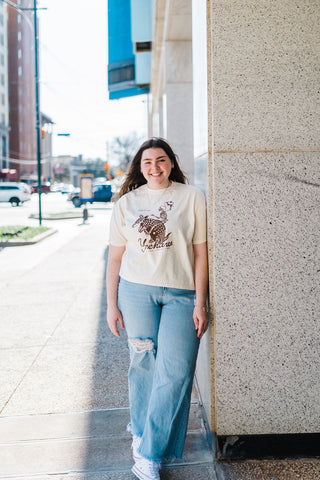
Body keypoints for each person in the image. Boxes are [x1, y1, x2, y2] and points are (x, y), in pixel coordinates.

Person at [106, 137, 209, 480]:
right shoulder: (126, 203)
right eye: (147, 162)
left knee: (177, 370)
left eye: (161, 160)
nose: (155, 167)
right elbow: (116, 257)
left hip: (182, 294)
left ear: (171, 163)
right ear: (139, 167)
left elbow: (200, 253)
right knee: (144, 362)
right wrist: (111, 304)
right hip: (136, 293)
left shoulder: (191, 197)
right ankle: (143, 440)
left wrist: (200, 302)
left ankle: (149, 448)